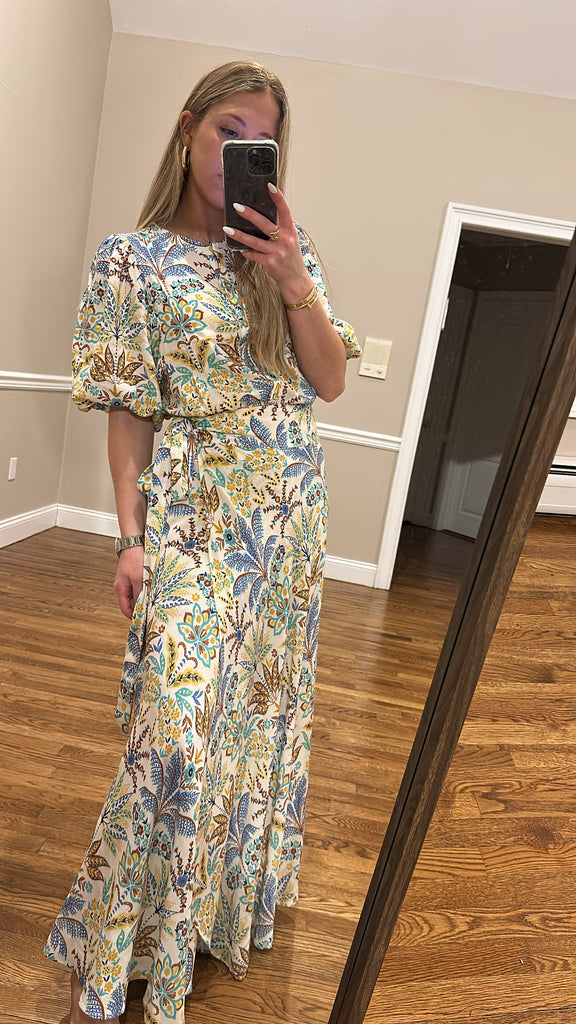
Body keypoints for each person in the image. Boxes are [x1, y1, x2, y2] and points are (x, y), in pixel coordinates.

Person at [45, 60, 360, 1023]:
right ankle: (119, 950)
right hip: (192, 520)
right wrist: (128, 537)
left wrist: (292, 275)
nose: (241, 153)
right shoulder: (129, 261)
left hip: (287, 524)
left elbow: (329, 381)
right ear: (187, 129)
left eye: (261, 141)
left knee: (250, 726)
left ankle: (204, 919)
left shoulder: (286, 252)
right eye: (229, 130)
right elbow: (129, 412)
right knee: (175, 730)